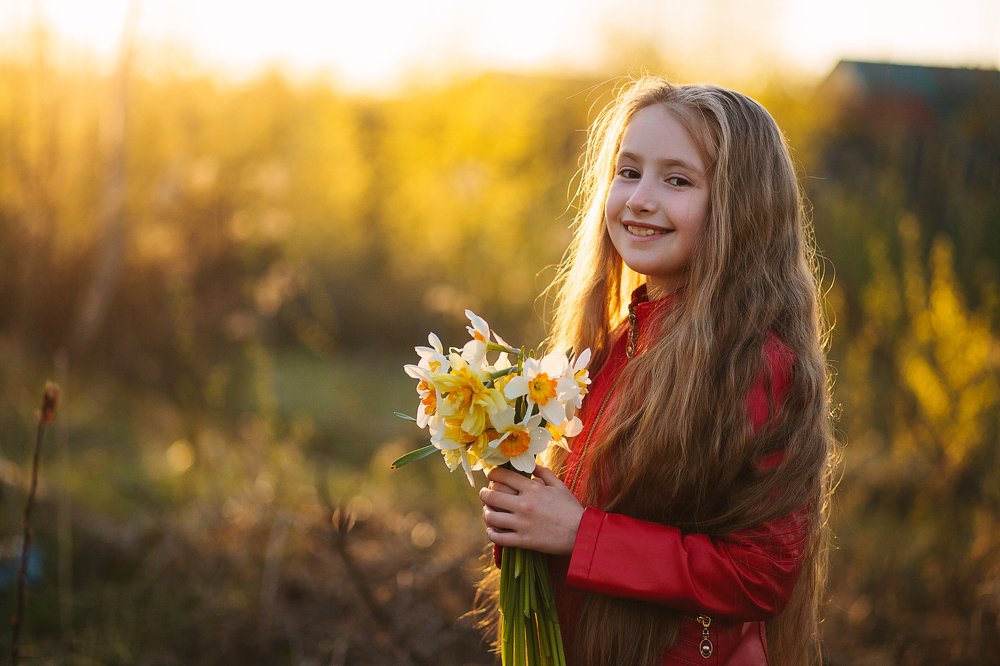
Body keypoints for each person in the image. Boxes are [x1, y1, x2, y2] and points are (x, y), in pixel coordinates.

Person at [478, 76, 837, 665]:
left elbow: (760, 576)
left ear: (741, 207)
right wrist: (527, 517)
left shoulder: (754, 364)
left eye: (677, 180)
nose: (640, 198)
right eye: (628, 171)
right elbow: (592, 517)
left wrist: (577, 534)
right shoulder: (613, 340)